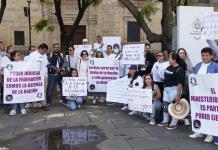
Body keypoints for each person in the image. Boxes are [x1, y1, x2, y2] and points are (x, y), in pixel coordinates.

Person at [189, 47, 218, 143]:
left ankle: (210, 134)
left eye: (207, 55)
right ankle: (198, 131)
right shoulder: (197, 65)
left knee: (209, 115)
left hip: (210, 96)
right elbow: (193, 78)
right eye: (203, 55)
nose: (205, 57)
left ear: (211, 56)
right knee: (198, 112)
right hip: (198, 95)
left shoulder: (215, 66)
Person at [157, 52, 185, 130]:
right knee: (165, 105)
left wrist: (178, 95)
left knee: (174, 107)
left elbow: (180, 83)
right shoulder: (169, 67)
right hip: (166, 89)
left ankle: (173, 123)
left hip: (174, 89)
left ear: (174, 60)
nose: (168, 59)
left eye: (170, 58)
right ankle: (165, 120)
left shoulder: (180, 69)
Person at [25, 43, 50, 112]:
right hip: (35, 77)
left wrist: (54, 67)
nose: (44, 52)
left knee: (44, 90)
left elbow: (47, 64)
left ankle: (43, 104)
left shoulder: (44, 55)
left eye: (45, 51)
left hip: (44, 76)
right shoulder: (32, 55)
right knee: (35, 90)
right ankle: (33, 106)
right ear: (40, 48)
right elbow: (28, 66)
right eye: (44, 50)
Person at [177, 48, 193, 126]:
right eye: (180, 53)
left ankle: (186, 118)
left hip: (186, 83)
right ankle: (177, 117)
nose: (182, 54)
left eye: (183, 53)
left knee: (185, 100)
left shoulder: (188, 61)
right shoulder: (175, 61)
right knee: (177, 100)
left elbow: (191, 71)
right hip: (177, 84)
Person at [9, 51, 27, 115]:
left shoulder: (23, 63)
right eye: (18, 55)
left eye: (20, 54)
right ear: (14, 57)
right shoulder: (10, 64)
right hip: (14, 83)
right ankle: (13, 109)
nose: (20, 56)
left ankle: (22, 108)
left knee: (21, 94)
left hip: (22, 82)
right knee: (14, 95)